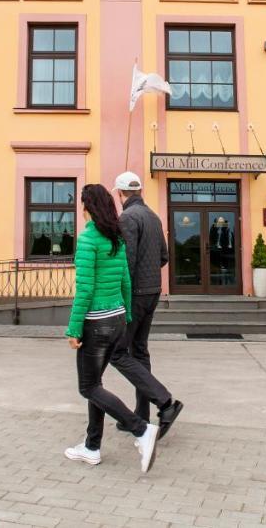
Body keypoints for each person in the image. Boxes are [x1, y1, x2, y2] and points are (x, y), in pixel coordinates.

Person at [63, 183, 160, 472]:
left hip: (96, 323)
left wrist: (73, 329)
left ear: (87, 208)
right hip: (117, 319)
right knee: (97, 386)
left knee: (88, 387)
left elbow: (84, 289)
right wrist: (126, 316)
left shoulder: (88, 240)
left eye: (82, 204)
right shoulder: (116, 238)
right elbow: (126, 283)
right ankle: (92, 447)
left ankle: (141, 429)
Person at [111, 171, 183, 437]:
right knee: (139, 352)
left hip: (136, 294)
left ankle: (164, 402)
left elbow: (126, 263)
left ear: (120, 194)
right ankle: (140, 416)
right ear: (139, 191)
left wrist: (120, 296)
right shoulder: (153, 216)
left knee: (117, 353)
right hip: (152, 291)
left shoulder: (128, 217)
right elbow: (164, 256)